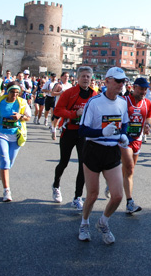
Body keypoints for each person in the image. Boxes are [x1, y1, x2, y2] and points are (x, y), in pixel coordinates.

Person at [77, 67, 129, 244]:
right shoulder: (94, 102)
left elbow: (125, 124)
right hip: (93, 150)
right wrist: (101, 131)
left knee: (117, 196)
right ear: (107, 81)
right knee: (92, 194)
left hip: (112, 151)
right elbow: (82, 130)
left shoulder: (122, 102)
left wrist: (123, 136)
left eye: (123, 81)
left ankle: (103, 222)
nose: (121, 85)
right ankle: (84, 223)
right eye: (117, 81)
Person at [53, 66, 97, 209]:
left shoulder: (94, 94)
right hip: (69, 131)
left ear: (91, 79)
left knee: (83, 166)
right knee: (64, 162)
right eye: (83, 76)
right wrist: (74, 114)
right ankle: (56, 185)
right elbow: (58, 110)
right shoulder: (69, 93)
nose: (85, 79)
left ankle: (77, 197)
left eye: (88, 77)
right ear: (77, 78)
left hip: (83, 134)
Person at [0, 82, 31, 202]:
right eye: (12, 92)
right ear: (8, 91)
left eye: (17, 93)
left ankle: (2, 171)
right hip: (1, 134)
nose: (15, 95)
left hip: (16, 135)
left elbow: (28, 117)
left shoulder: (22, 103)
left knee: (10, 162)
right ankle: (6, 190)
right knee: (5, 161)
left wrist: (20, 116)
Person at [120, 77, 151, 213]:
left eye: (145, 89)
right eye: (141, 88)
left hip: (138, 139)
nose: (143, 91)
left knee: (129, 171)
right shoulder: (124, 101)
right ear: (134, 87)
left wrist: (147, 126)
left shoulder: (148, 103)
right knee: (130, 168)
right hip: (124, 139)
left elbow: (148, 118)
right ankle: (129, 202)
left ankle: (114, 182)